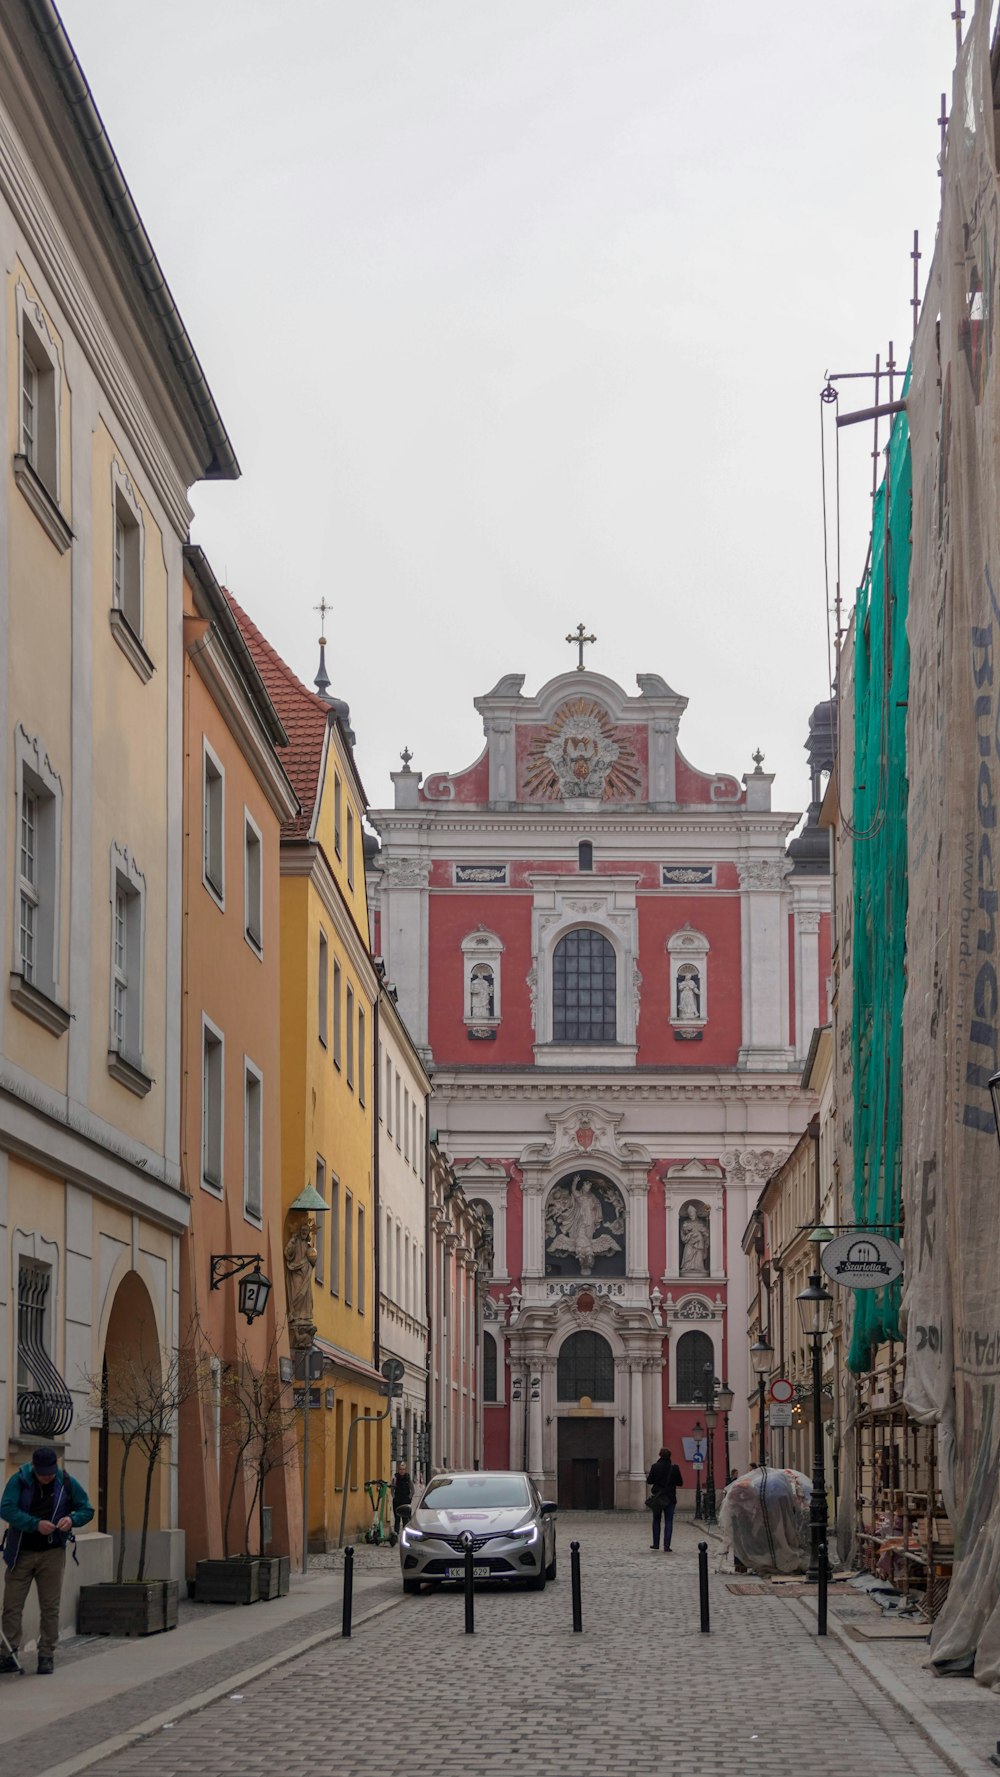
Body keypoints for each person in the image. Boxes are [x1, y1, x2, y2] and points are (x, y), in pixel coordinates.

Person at [1, 1446, 93, 1673]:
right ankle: (7, 1654)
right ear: (33, 1468)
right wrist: (34, 1524)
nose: (47, 1477)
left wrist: (71, 1520)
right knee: (12, 1606)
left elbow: (86, 1509)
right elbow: (6, 1509)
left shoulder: (67, 1483)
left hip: (52, 1553)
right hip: (20, 1553)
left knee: (50, 1607)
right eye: (43, 1473)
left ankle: (46, 1655)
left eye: (50, 1472)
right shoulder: (19, 1480)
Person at [646, 1446, 683, 1552]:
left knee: (656, 1520)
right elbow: (680, 1482)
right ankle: (667, 1545)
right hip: (670, 1498)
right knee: (669, 1522)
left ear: (660, 1455)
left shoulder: (655, 1466)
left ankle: (656, 1544)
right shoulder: (674, 1468)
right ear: (670, 1456)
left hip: (658, 1497)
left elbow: (649, 1481)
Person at [391, 1461, 414, 1535]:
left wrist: (409, 1498)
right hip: (397, 1501)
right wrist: (394, 1497)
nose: (402, 1471)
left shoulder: (408, 1478)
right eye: (400, 1469)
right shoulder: (395, 1478)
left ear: (405, 1470)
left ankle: (405, 1534)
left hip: (405, 1501)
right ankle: (396, 1534)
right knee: (397, 1519)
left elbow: (412, 1490)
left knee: (405, 1519)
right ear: (398, 1470)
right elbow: (392, 1489)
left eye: (403, 1469)